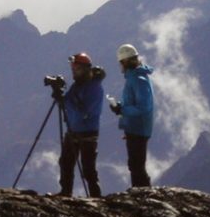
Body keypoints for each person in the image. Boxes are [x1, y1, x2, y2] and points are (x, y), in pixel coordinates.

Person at [57, 52, 105, 197]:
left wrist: (65, 101)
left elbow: (84, 111)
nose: (73, 71)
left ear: (84, 68)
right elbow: (69, 104)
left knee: (88, 169)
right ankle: (66, 192)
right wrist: (60, 97)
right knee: (65, 163)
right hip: (74, 130)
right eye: (72, 68)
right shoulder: (77, 85)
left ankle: (96, 198)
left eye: (76, 68)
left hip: (87, 133)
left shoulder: (94, 87)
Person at [110, 43, 154, 188]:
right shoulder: (134, 78)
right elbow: (133, 102)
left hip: (139, 129)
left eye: (121, 62)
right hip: (136, 128)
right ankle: (141, 194)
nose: (120, 66)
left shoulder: (138, 80)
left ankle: (143, 194)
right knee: (135, 164)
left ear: (126, 62)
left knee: (137, 165)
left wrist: (122, 110)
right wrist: (121, 107)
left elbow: (143, 107)